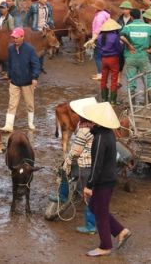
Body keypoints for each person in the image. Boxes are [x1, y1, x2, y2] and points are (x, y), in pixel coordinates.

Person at [79, 101, 132, 257]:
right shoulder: (105, 133)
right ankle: (121, 231)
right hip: (107, 178)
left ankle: (105, 246)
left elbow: (96, 165)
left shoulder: (101, 137)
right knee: (96, 207)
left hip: (103, 181)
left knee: (100, 213)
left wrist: (89, 185)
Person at [60, 97, 97, 234]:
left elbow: (75, 151)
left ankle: (63, 196)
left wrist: (66, 162)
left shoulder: (83, 130)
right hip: (95, 164)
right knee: (92, 196)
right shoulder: (96, 126)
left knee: (63, 170)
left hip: (84, 166)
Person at [1, 27, 41, 132]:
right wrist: (9, 76)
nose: (14, 39)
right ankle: (8, 125)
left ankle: (30, 123)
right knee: (12, 103)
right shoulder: (10, 49)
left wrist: (34, 77)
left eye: (16, 37)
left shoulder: (30, 49)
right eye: (13, 38)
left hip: (27, 82)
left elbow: (36, 64)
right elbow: (9, 63)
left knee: (29, 103)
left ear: (22, 37)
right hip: (14, 81)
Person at [120, 9, 151, 97]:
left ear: (131, 17)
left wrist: (129, 45)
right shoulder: (148, 27)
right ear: (141, 16)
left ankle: (132, 103)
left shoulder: (128, 27)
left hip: (131, 56)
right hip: (143, 56)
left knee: (131, 79)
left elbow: (122, 37)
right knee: (149, 78)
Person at [97, 19, 123, 104]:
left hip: (103, 59)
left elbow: (99, 48)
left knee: (104, 78)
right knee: (114, 79)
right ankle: (112, 100)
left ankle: (104, 99)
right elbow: (119, 49)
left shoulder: (100, 37)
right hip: (113, 59)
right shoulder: (115, 36)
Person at [88, 8, 111, 80]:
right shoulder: (106, 14)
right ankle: (102, 73)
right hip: (106, 37)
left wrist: (93, 39)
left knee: (97, 57)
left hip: (99, 38)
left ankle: (100, 74)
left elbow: (98, 30)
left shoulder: (99, 17)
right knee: (102, 56)